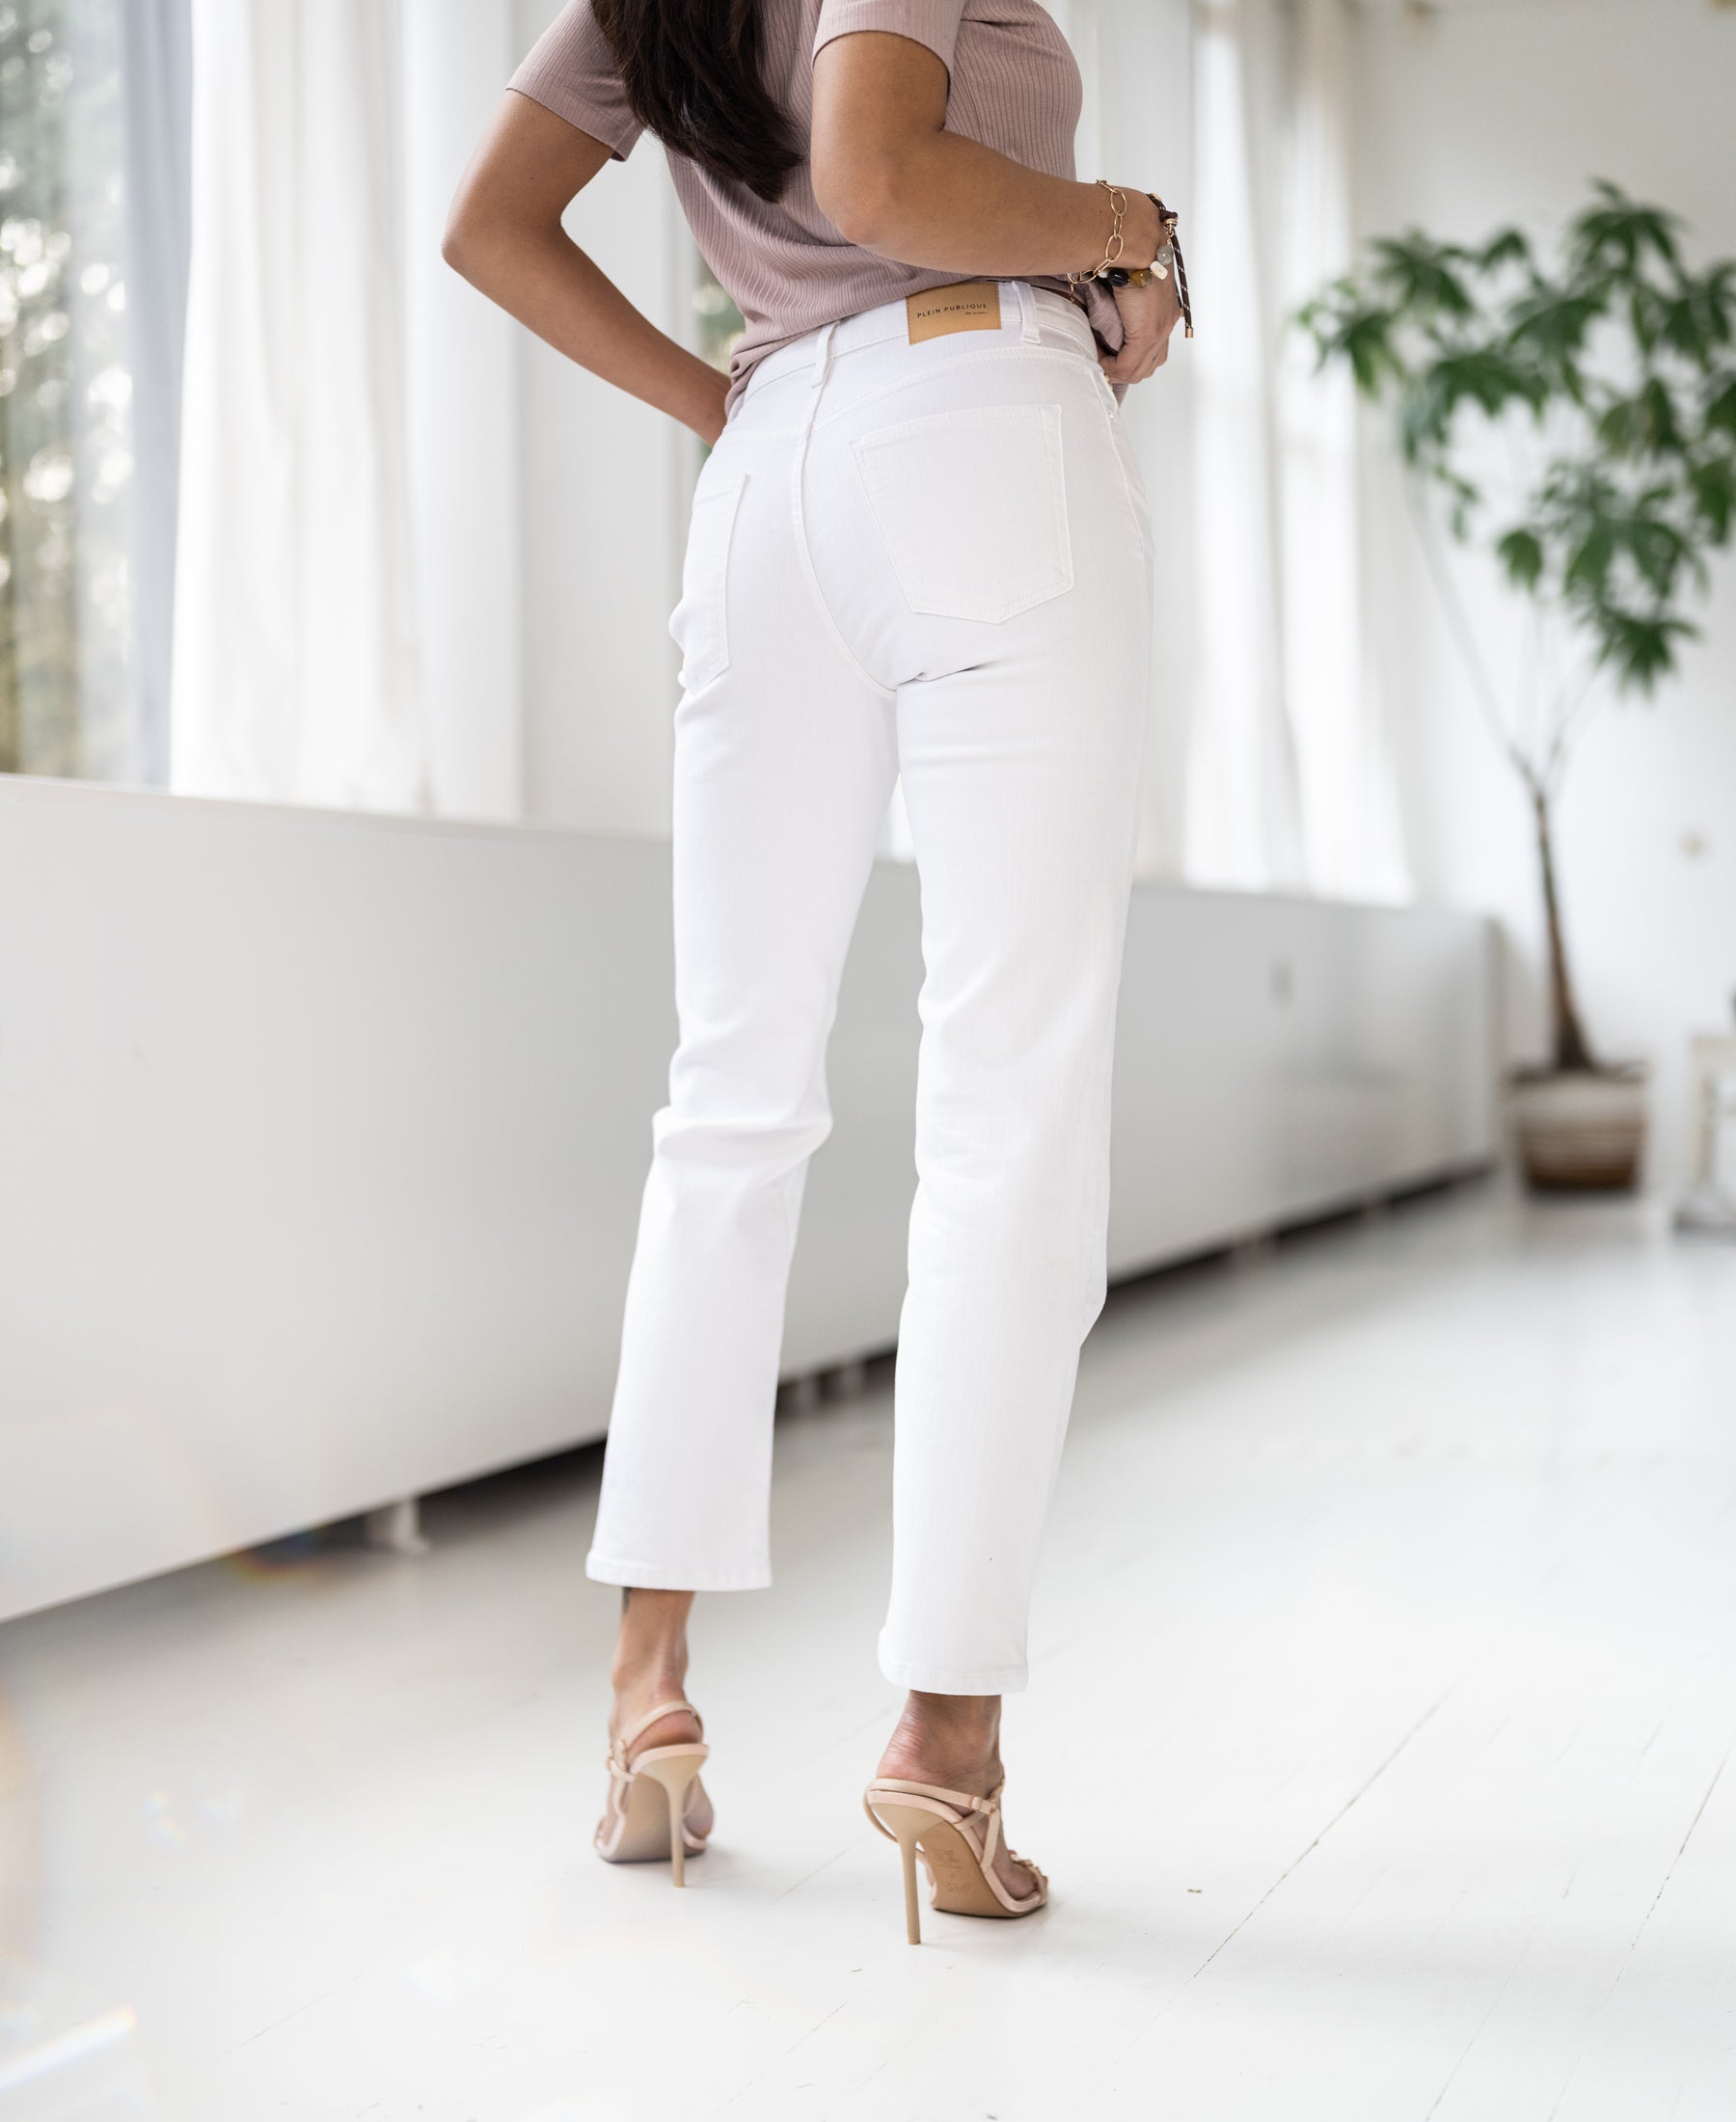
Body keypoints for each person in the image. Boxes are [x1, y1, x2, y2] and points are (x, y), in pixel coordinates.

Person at [445, 0, 1184, 1943]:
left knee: (731, 1101)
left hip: (768, 480)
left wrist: (726, 409)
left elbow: (490, 225)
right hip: (977, 430)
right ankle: (943, 1730)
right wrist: (1133, 227)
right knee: (1007, 1110)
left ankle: (644, 1696)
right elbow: (882, 171)